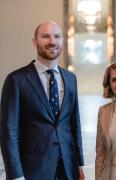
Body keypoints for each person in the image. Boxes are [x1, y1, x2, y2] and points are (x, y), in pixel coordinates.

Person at [0, 21, 85, 180]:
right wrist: (16, 175)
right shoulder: (16, 80)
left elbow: (75, 125)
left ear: (62, 41)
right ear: (35, 42)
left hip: (67, 169)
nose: (52, 41)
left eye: (57, 36)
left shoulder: (70, 79)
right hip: (32, 170)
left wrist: (79, 165)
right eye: (45, 36)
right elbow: (8, 132)